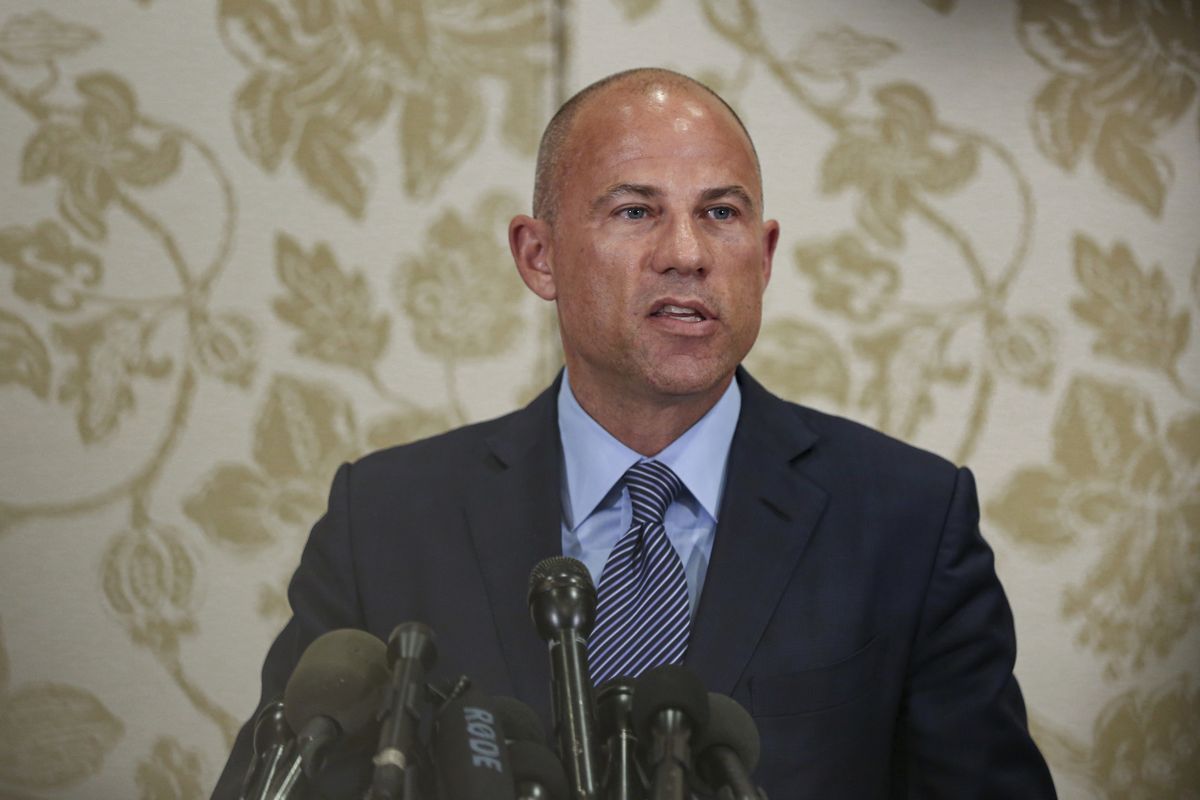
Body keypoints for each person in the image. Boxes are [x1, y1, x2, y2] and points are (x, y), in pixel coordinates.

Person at [212, 68, 1055, 798]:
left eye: (720, 214)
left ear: (763, 258)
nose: (686, 252)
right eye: (634, 211)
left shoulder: (907, 521)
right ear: (537, 257)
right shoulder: (387, 523)